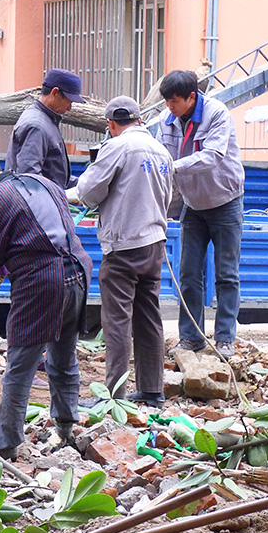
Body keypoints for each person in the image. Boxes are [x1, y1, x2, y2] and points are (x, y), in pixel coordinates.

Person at [0, 153, 92, 460]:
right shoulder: (43, 182)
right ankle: (66, 428)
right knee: (63, 356)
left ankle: (5, 443)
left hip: (42, 281)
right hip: (78, 272)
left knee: (20, 364)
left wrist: (5, 260)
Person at [73, 96, 174, 408]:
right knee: (149, 318)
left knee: (117, 321)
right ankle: (152, 390)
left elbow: (87, 192)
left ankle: (114, 395)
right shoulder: (161, 151)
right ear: (140, 119)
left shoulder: (116, 147)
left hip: (124, 246)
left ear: (111, 124)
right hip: (154, 243)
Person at [158, 70, 245, 358]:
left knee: (226, 274)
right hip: (193, 205)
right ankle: (191, 338)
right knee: (188, 274)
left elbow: (213, 156)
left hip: (225, 201)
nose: (170, 107)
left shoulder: (217, 114)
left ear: (192, 97)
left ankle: (224, 339)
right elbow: (159, 156)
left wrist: (174, 167)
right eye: (167, 101)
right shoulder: (166, 120)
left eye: (174, 101)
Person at [6, 68, 85, 189]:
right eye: (68, 101)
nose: (69, 108)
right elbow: (29, 179)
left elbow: (55, 176)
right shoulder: (36, 126)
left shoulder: (46, 120)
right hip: (36, 205)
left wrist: (85, 185)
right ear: (55, 93)